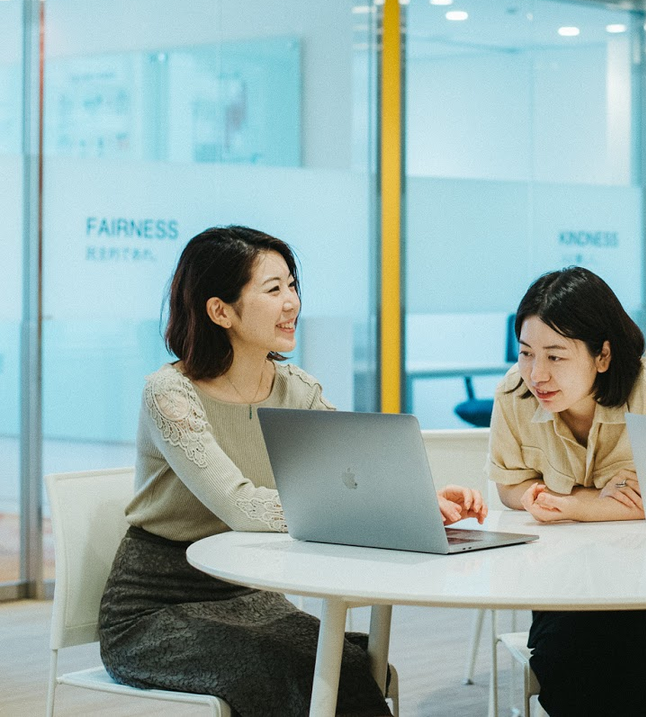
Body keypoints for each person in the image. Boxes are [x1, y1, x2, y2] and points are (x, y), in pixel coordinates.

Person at [99, 225, 486, 717]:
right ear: (220, 311)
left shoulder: (296, 389)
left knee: (349, 661)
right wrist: (366, 507)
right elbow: (240, 505)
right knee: (294, 670)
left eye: (292, 285)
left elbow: (357, 476)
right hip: (156, 605)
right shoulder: (169, 393)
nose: (293, 303)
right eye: (273, 289)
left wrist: (416, 500)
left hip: (249, 589)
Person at [487, 266, 646, 717]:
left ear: (602, 355)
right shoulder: (514, 394)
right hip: (572, 590)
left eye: (555, 357)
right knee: (568, 665)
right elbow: (508, 484)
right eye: (526, 353)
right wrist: (590, 501)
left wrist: (575, 505)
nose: (536, 374)